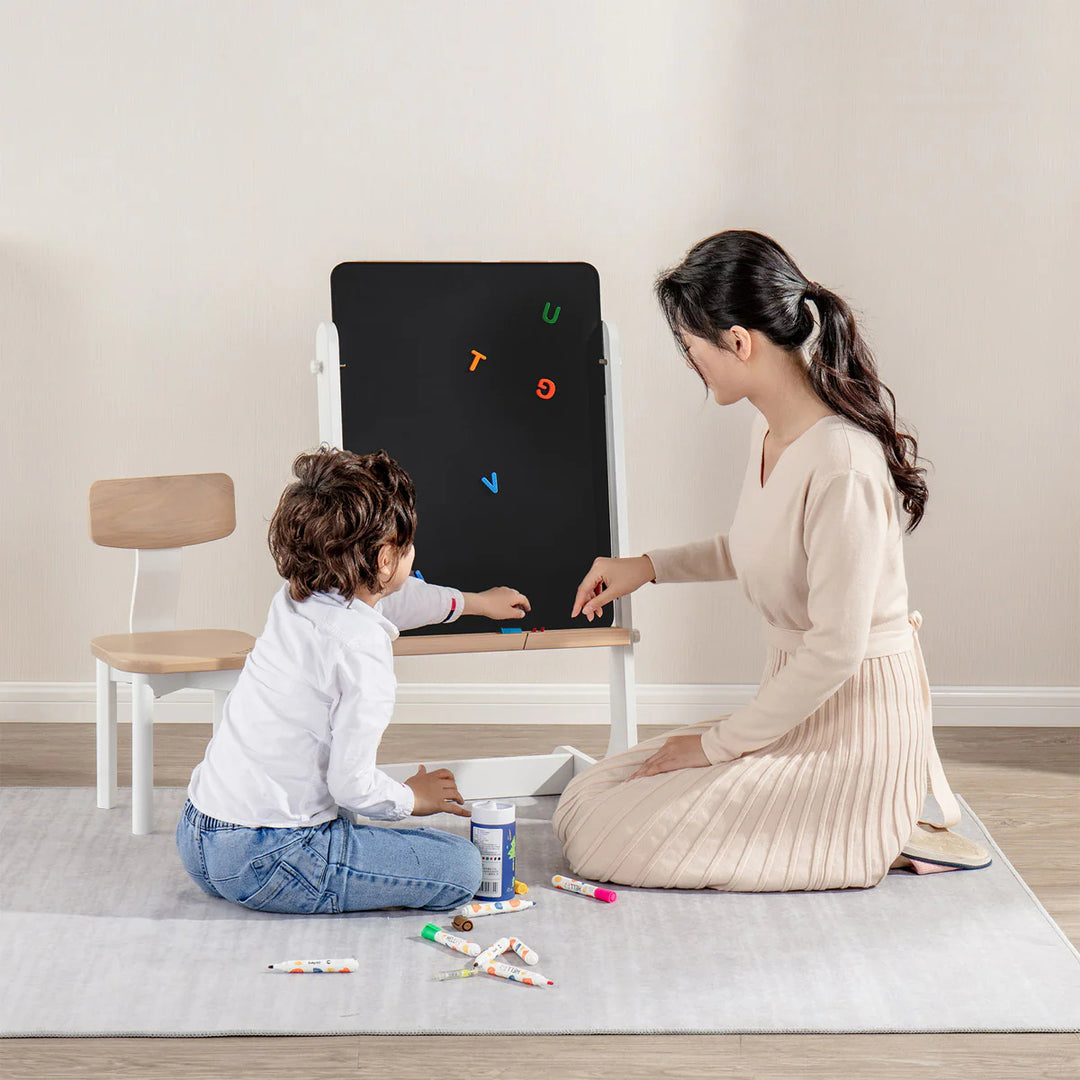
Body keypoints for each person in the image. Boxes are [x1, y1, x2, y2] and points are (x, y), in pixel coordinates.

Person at [552, 229, 990, 891]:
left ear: (737, 341)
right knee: (590, 795)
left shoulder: (843, 462)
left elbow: (835, 651)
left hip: (856, 726)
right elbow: (756, 546)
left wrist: (713, 745)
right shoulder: (771, 428)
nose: (692, 364)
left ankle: (875, 821)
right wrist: (645, 566)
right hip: (796, 707)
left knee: (603, 834)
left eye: (691, 348)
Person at [176, 446, 530, 914]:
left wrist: (476, 603)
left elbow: (397, 599)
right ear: (384, 559)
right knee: (462, 866)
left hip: (199, 833)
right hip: (273, 859)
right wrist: (411, 798)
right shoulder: (362, 652)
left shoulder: (297, 598)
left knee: (356, 813)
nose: (413, 553)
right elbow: (351, 786)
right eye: (407, 545)